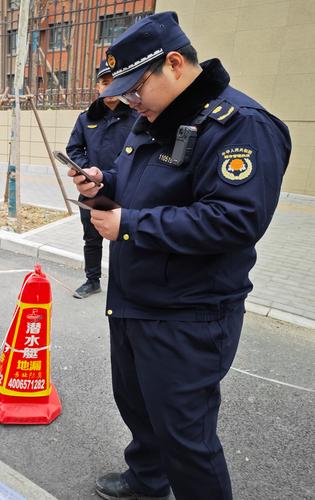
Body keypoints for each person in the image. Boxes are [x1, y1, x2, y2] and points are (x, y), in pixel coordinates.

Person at [68, 12, 291, 500]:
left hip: (188, 312)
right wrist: (104, 183)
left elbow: (236, 220)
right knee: (139, 406)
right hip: (135, 298)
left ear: (173, 63)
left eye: (134, 89)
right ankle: (147, 479)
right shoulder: (155, 118)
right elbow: (143, 184)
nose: (128, 102)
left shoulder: (239, 126)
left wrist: (129, 223)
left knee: (186, 438)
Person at [66, 60, 137, 298]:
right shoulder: (86, 118)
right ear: (98, 86)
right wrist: (87, 172)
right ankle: (92, 281)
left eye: (115, 83)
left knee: (123, 238)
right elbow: (74, 149)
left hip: (125, 189)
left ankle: (124, 286)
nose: (109, 88)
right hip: (93, 190)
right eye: (105, 82)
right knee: (92, 238)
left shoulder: (136, 118)